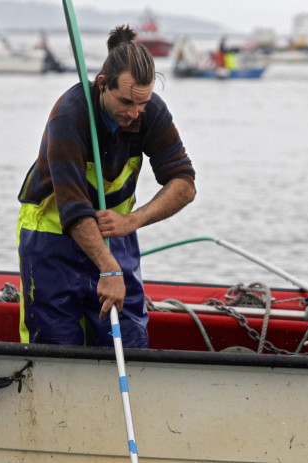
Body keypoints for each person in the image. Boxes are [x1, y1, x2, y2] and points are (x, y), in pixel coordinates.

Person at [16, 25, 196, 348]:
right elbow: (73, 208)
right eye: (127, 102)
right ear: (103, 85)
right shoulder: (69, 116)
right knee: (58, 348)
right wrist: (109, 270)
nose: (135, 113)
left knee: (130, 342)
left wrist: (133, 220)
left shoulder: (148, 111)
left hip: (116, 238)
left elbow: (184, 183)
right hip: (52, 241)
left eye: (142, 102)